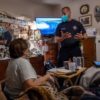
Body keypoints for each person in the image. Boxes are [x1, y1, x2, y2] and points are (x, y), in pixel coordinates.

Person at [4, 38, 69, 100]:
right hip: (22, 97)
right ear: (23, 51)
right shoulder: (22, 62)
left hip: (10, 95)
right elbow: (30, 86)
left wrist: (39, 77)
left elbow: (23, 77)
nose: (28, 49)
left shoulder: (12, 61)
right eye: (27, 48)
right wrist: (47, 76)